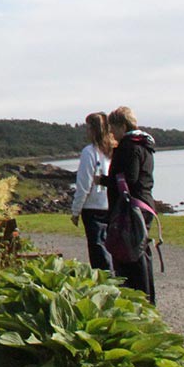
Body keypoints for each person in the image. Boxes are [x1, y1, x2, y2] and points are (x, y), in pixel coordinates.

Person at [105, 105, 157, 303]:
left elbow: (130, 179)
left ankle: (139, 300)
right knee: (142, 251)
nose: (111, 133)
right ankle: (148, 300)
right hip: (145, 204)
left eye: (113, 128)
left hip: (131, 208)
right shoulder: (145, 146)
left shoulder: (129, 147)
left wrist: (106, 180)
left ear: (121, 125)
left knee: (130, 257)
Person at [70, 111, 115, 271]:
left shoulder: (89, 152)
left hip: (93, 208)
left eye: (88, 128)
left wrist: (76, 211)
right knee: (112, 247)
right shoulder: (112, 151)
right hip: (111, 205)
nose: (86, 132)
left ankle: (105, 283)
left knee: (98, 250)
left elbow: (84, 184)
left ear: (94, 130)